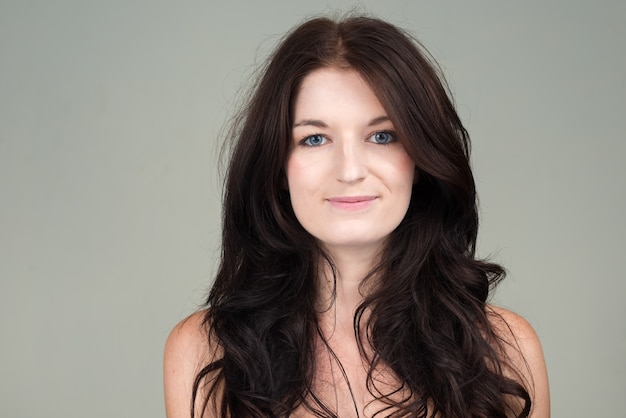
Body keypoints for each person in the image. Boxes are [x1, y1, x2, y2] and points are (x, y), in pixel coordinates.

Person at [164, 15, 550, 418]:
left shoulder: (506, 350)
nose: (349, 171)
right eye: (314, 138)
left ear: (419, 159)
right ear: (278, 166)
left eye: (382, 136)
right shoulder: (205, 354)